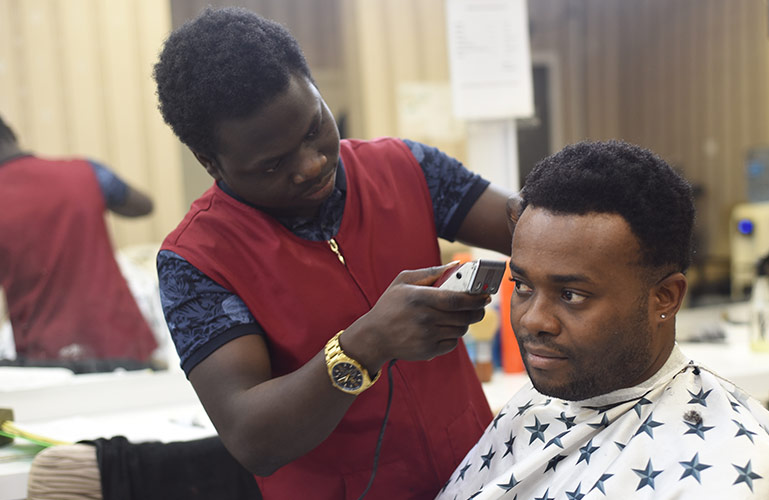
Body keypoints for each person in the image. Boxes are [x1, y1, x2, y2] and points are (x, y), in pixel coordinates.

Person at [152, 7, 513, 499]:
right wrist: (366, 343)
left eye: (314, 127)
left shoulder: (405, 166)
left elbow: (530, 228)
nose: (313, 163)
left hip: (479, 475)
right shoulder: (196, 259)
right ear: (209, 161)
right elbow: (252, 436)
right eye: (274, 164)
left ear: (315, 89)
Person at [437, 140, 769, 500]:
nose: (533, 321)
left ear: (665, 297)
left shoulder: (729, 475)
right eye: (524, 286)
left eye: (571, 294)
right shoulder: (537, 409)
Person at [0, 114, 158, 372]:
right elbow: (143, 206)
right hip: (120, 345)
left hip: (46, 362)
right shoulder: (87, 172)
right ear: (11, 134)